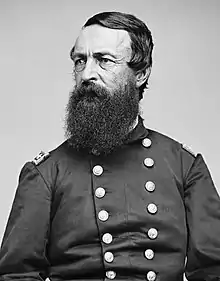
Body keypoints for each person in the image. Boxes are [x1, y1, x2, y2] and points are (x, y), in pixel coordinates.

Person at [0, 11, 220, 281]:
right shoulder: (45, 174)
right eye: (80, 61)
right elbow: (17, 276)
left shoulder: (185, 166)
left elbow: (213, 271)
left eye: (104, 60)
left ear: (140, 74)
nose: (87, 74)